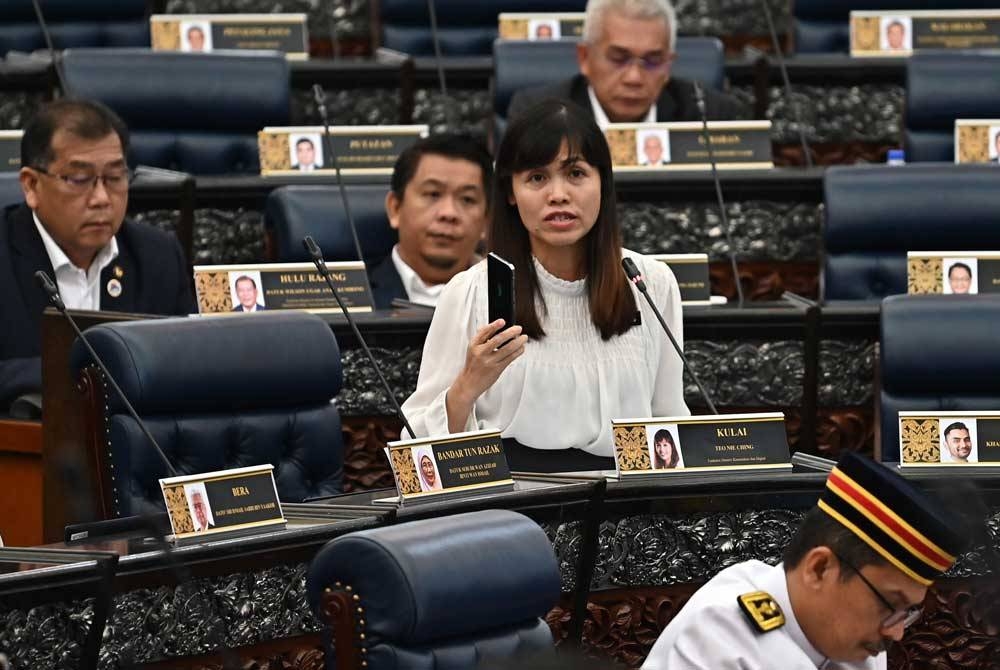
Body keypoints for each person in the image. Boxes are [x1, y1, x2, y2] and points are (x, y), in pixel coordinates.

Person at [401, 100, 688, 472]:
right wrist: (468, 385)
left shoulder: (650, 283)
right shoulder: (471, 291)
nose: (558, 194)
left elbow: (669, 426)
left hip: (627, 509)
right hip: (511, 509)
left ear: (603, 182)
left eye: (576, 174)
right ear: (510, 192)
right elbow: (415, 454)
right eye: (537, 178)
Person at [642, 451, 968, 669]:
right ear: (819, 568)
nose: (897, 634)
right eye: (890, 604)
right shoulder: (719, 636)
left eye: (908, 612)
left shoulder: (859, 648)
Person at [0, 99, 196, 412]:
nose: (102, 199)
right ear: (32, 185)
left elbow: (185, 365)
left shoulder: (158, 256)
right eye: (79, 179)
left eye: (115, 178)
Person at [506, 0, 745, 128]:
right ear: (584, 58)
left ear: (669, 65)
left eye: (653, 61)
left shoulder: (711, 116)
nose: (634, 78)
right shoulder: (537, 116)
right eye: (618, 58)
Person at [369, 133, 493, 309]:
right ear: (395, 208)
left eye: (467, 199)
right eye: (433, 194)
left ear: (486, 221)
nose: (449, 213)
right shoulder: (349, 297)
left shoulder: (516, 298)